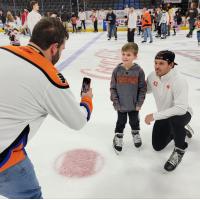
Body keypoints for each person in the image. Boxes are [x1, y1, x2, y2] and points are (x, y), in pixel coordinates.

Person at [0, 17, 93, 198]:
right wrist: (86, 99)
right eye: (62, 49)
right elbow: (78, 121)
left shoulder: (3, 50)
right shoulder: (49, 77)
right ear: (54, 48)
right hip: (4, 159)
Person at [145, 50, 194, 172]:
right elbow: (146, 90)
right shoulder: (152, 76)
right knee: (157, 146)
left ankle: (180, 149)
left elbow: (181, 108)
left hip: (182, 114)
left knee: (176, 120)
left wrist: (154, 116)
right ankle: (180, 131)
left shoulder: (179, 80)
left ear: (171, 65)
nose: (157, 66)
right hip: (164, 114)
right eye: (155, 63)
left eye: (161, 63)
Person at [110, 42, 146, 154]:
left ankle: (135, 133)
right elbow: (113, 88)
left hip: (134, 105)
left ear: (135, 56)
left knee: (134, 121)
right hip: (121, 105)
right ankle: (118, 136)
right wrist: (116, 103)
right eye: (123, 54)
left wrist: (139, 103)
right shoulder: (117, 71)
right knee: (121, 121)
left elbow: (142, 88)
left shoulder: (139, 71)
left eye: (128, 55)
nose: (125, 57)